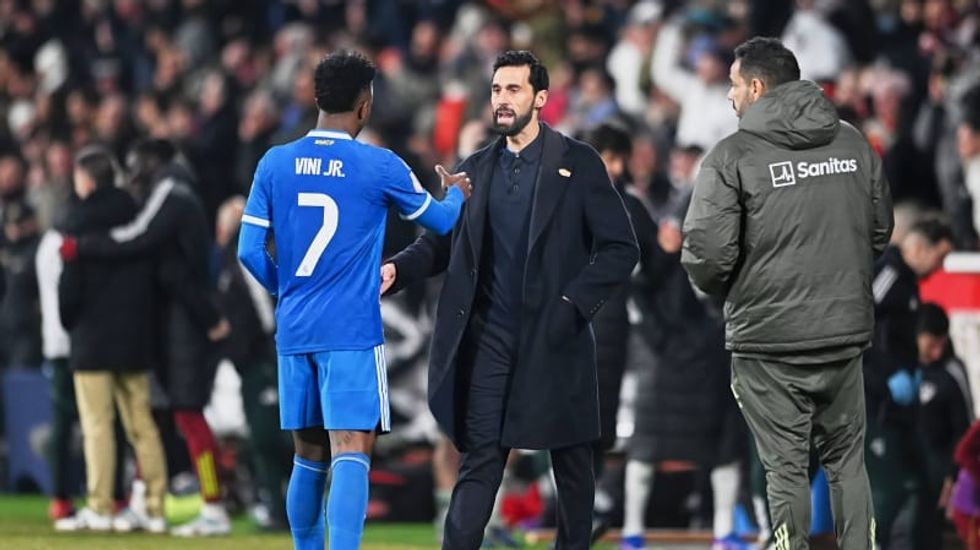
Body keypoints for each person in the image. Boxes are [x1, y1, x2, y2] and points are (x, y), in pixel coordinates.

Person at [383, 50, 639, 550]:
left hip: (556, 338)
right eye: (497, 89)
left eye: (514, 89)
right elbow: (438, 244)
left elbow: (620, 248)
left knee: (572, 463)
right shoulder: (475, 169)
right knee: (480, 461)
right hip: (489, 343)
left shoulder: (578, 162)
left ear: (540, 98)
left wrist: (572, 305)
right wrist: (397, 269)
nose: (502, 99)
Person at [237, 50, 471, 550]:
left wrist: (287, 290)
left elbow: (248, 251)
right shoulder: (379, 164)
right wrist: (457, 193)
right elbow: (443, 222)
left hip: (295, 328)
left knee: (307, 454)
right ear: (365, 104)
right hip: (350, 329)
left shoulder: (274, 162)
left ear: (318, 98)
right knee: (350, 447)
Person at [681, 37, 893, 550]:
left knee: (785, 468)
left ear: (756, 87)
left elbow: (707, 255)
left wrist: (735, 290)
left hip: (769, 343)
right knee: (848, 462)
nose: (729, 96)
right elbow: (880, 230)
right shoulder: (852, 143)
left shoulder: (731, 157)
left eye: (734, 85)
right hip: (842, 334)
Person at [60, 139, 233, 536]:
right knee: (154, 416)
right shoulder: (180, 191)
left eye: (139, 165)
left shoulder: (172, 191)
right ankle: (144, 501)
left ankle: (213, 505)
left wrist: (82, 246)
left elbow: (138, 236)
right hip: (174, 322)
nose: (135, 176)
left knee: (188, 415)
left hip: (186, 324)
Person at [53, 145, 168, 533]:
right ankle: (154, 508)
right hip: (133, 336)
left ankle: (101, 507)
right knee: (142, 424)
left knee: (97, 425)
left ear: (86, 180)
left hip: (92, 340)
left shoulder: (78, 221)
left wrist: (70, 322)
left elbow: (69, 286)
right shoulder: (137, 215)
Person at [865, 218, 955, 549]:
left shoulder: (908, 284)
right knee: (888, 490)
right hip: (876, 403)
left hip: (899, 406)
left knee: (919, 483)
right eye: (939, 257)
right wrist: (887, 374)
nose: (940, 267)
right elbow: (857, 319)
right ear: (918, 247)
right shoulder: (888, 274)